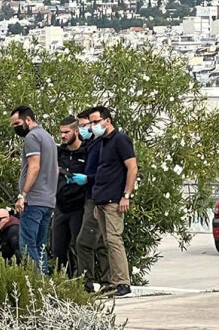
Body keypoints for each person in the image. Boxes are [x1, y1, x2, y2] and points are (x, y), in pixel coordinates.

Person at [89, 106, 138, 297]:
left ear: (107, 120)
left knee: (114, 240)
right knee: (106, 242)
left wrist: (126, 195)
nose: (93, 126)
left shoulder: (120, 140)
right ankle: (112, 280)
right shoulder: (102, 143)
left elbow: (132, 168)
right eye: (91, 123)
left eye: (95, 122)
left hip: (114, 199)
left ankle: (123, 282)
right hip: (101, 199)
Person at [10, 105, 58, 275]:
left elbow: (34, 166)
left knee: (27, 245)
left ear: (28, 119)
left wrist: (22, 195)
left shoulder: (32, 137)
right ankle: (44, 283)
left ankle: (36, 284)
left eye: (17, 123)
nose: (16, 128)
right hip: (48, 200)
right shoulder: (48, 137)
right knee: (40, 246)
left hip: (34, 200)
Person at [75, 109, 111, 293]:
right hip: (90, 196)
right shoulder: (91, 144)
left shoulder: (104, 144)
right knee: (100, 243)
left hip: (97, 198)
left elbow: (107, 172)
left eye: (87, 124)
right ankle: (107, 281)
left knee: (84, 242)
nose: (85, 128)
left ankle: (87, 284)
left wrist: (88, 179)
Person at [51, 115, 87, 276]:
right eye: (61, 132)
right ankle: (64, 281)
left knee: (80, 246)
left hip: (79, 206)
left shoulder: (86, 151)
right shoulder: (59, 152)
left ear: (76, 131)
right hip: (60, 206)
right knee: (57, 248)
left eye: (66, 132)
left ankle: (84, 280)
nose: (63, 136)